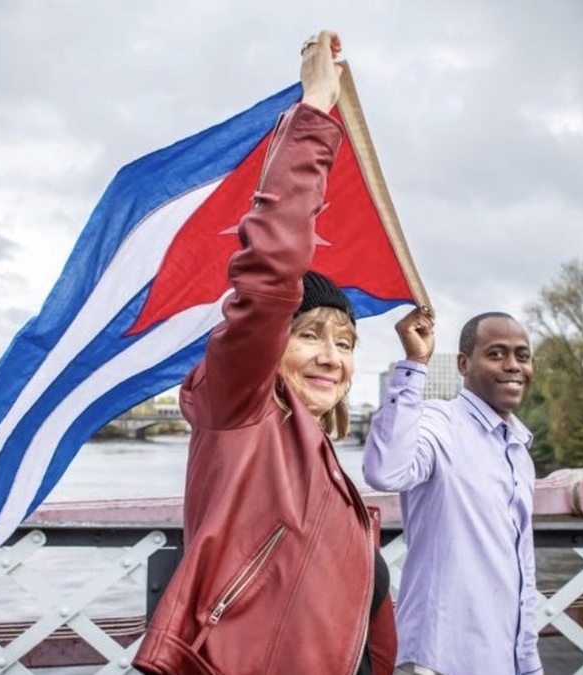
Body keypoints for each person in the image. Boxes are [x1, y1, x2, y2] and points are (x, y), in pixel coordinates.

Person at [133, 30, 396, 675]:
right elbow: (270, 274)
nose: (333, 357)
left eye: (345, 341)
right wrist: (314, 113)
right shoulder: (241, 411)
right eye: (309, 334)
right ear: (269, 343)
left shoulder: (323, 461)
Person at [363, 308, 543, 675]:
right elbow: (385, 471)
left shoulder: (520, 451)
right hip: (438, 658)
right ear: (464, 363)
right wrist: (415, 362)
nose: (513, 365)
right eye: (496, 353)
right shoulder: (438, 423)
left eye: (522, 356)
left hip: (502, 662)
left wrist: (528, 661)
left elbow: (523, 570)